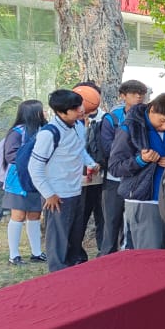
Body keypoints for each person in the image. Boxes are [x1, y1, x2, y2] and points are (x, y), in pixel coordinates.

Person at [110, 91, 165, 250]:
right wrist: (140, 160)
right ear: (152, 109)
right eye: (162, 121)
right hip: (144, 202)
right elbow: (115, 167)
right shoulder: (130, 128)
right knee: (149, 256)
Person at [28, 89, 99, 272]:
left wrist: (91, 163)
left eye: (80, 105)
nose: (81, 110)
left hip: (77, 189)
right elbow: (34, 167)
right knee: (58, 241)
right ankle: (57, 276)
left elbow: (79, 150)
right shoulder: (49, 133)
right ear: (61, 112)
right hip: (57, 195)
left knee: (75, 238)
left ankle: (73, 272)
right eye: (75, 108)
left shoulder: (78, 126)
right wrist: (49, 194)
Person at [98, 79, 150, 255]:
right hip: (114, 178)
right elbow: (108, 148)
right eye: (134, 93)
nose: (139, 97)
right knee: (111, 221)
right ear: (122, 96)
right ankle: (106, 257)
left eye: (141, 93)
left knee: (134, 221)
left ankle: (130, 256)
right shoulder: (112, 118)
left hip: (138, 177)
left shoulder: (148, 116)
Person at [0, 99, 47, 265]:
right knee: (18, 215)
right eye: (41, 110)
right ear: (33, 113)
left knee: (35, 215)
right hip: (18, 179)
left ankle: (36, 252)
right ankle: (14, 255)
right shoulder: (17, 132)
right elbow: (11, 155)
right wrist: (34, 158)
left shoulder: (43, 129)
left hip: (37, 178)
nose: (44, 113)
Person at [64, 83, 104, 265]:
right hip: (77, 179)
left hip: (99, 177)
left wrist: (97, 163)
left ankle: (104, 251)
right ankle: (76, 254)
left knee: (102, 216)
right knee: (78, 217)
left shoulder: (104, 118)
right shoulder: (67, 123)